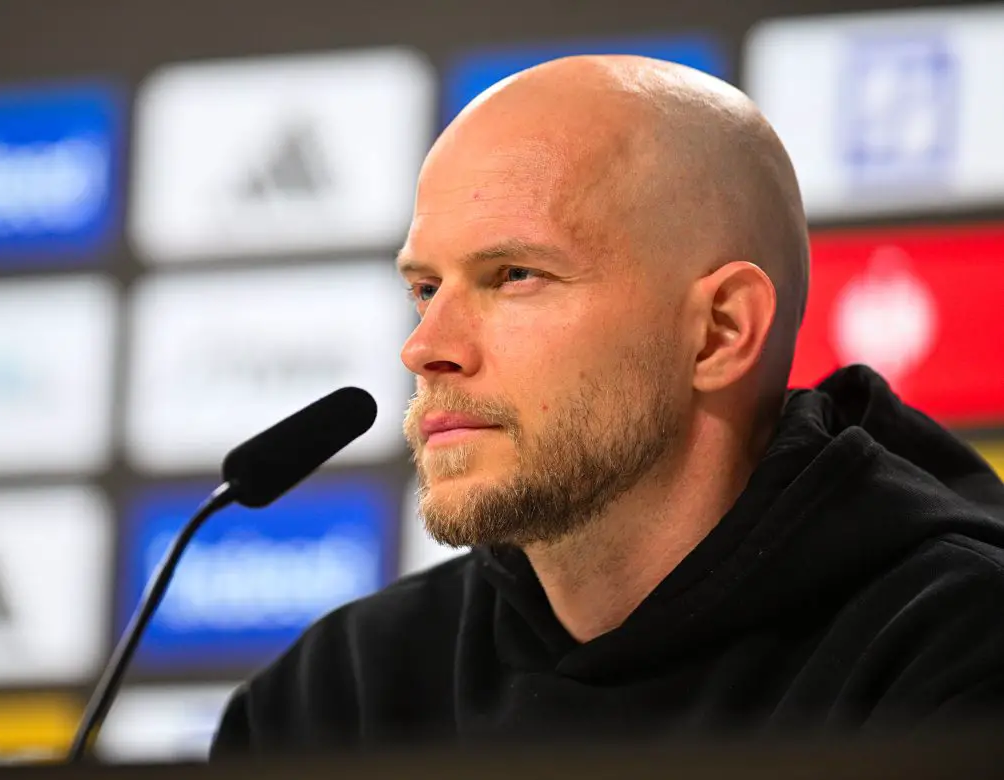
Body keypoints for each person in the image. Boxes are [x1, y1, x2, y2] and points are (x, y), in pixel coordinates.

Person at [209, 55, 1004, 755]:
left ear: (719, 332)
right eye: (425, 288)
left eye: (515, 274)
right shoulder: (332, 699)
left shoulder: (955, 656)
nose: (424, 348)